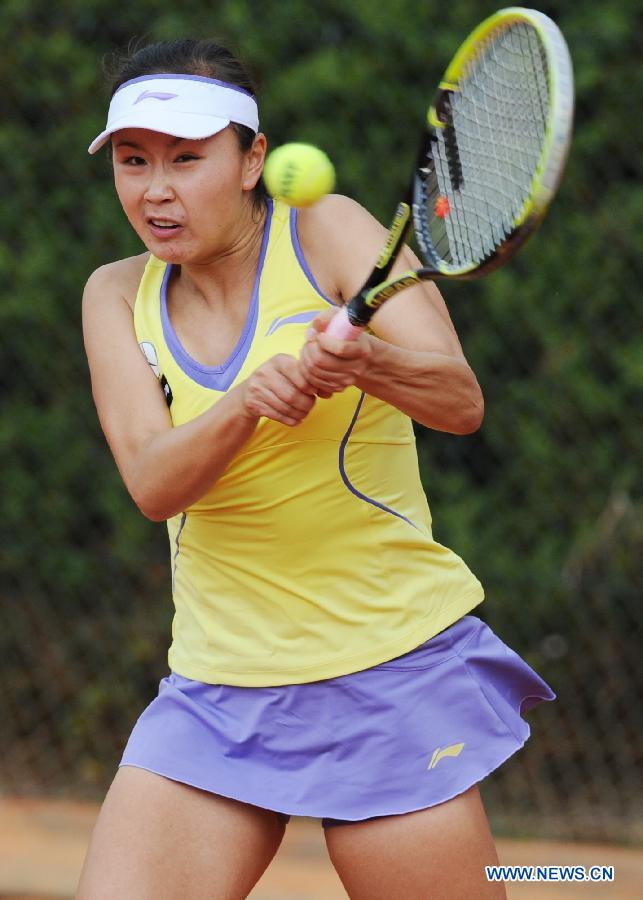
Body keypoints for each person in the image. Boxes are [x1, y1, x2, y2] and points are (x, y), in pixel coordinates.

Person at [78, 37, 554, 900]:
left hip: (389, 672)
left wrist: (367, 364)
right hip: (218, 688)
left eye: (188, 160)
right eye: (133, 160)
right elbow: (152, 483)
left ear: (254, 158)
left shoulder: (328, 227)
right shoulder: (114, 293)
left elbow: (458, 400)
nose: (155, 190)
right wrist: (246, 403)